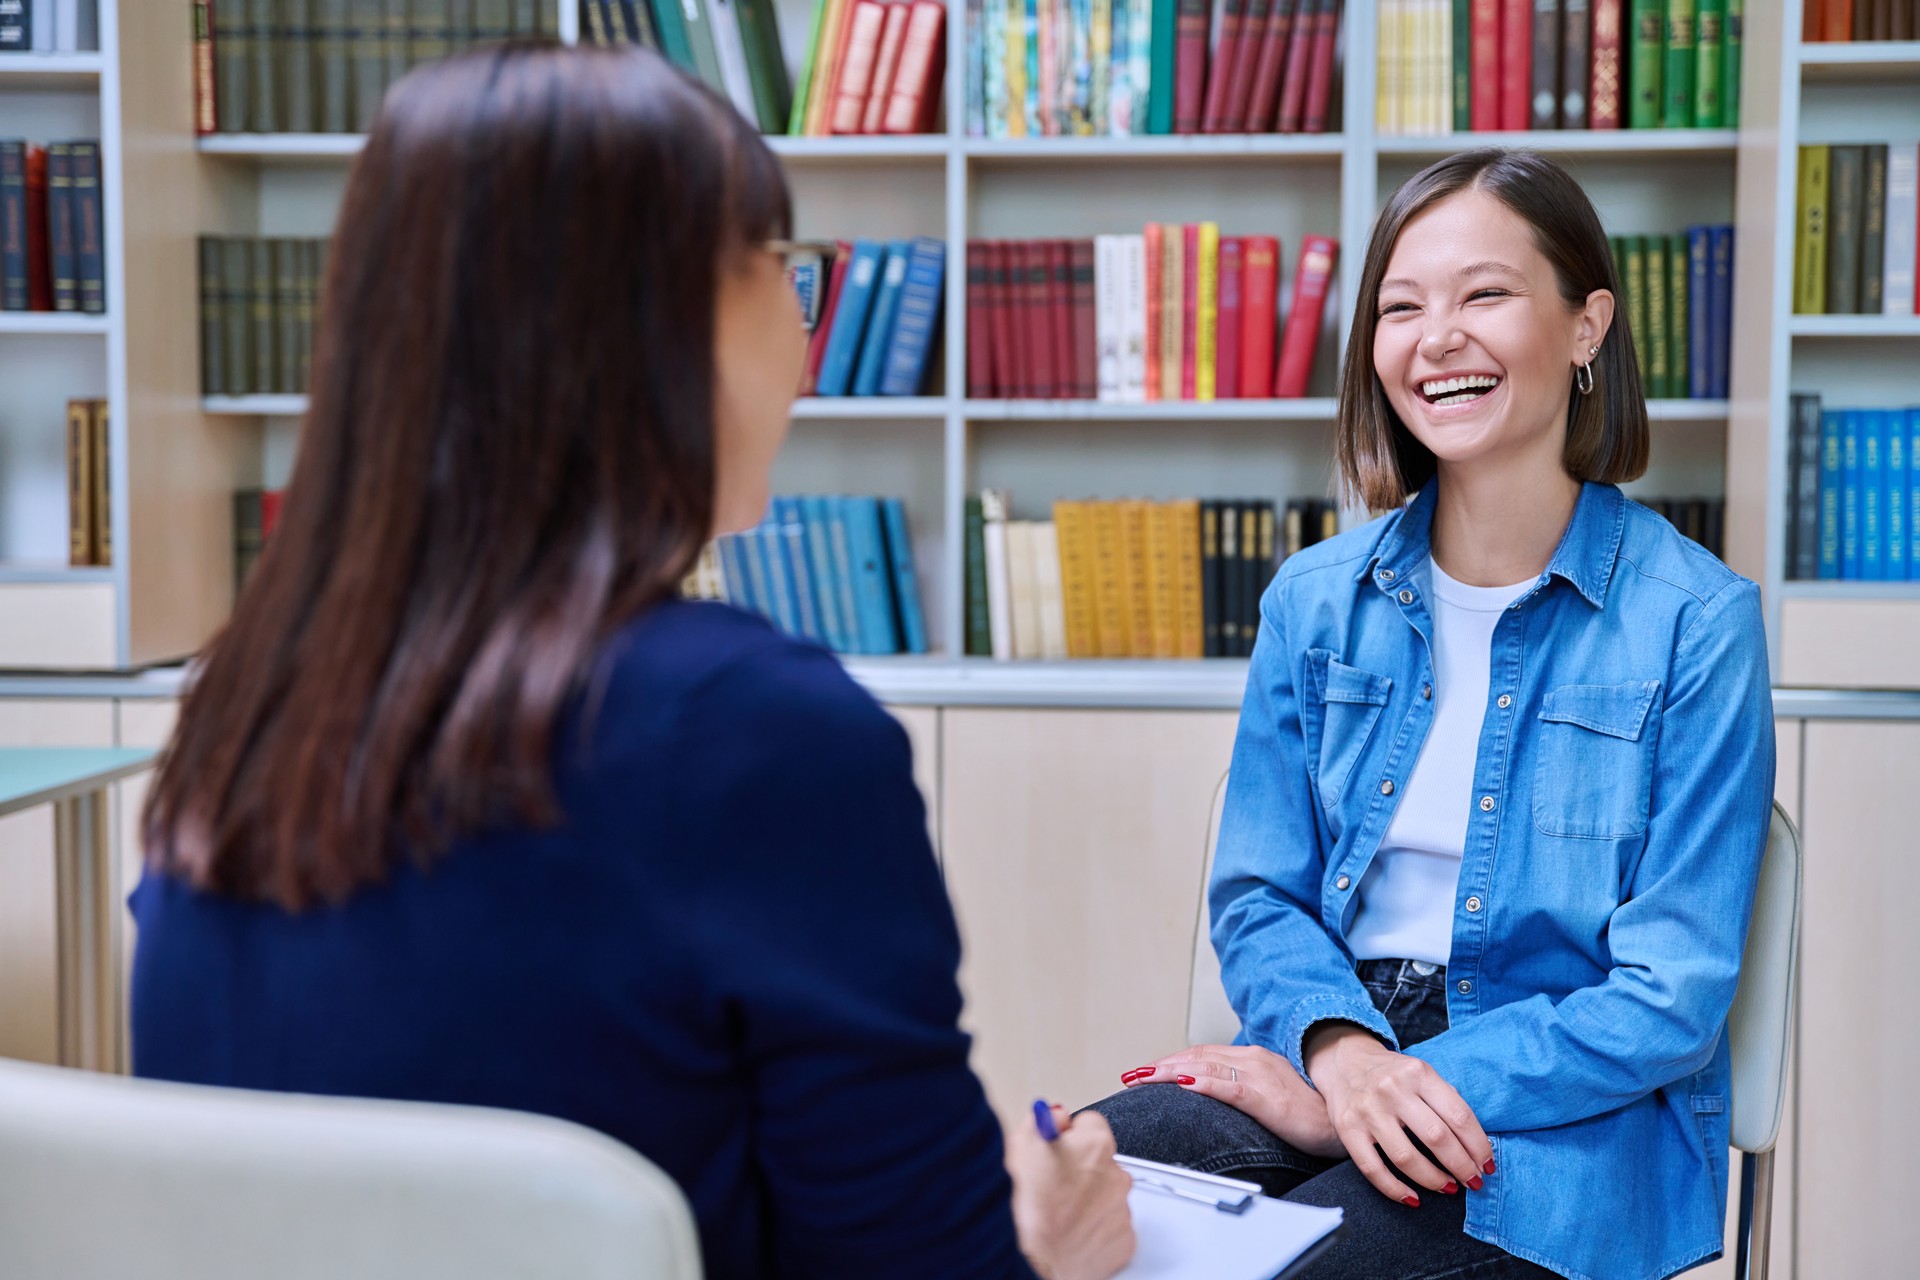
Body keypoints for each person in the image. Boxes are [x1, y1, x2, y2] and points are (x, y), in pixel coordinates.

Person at [130, 43, 1133, 1280]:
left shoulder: (244, 706)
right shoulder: (754, 728)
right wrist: (1055, 1242)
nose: (807, 334)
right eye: (785, 273)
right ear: (666, 317)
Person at [1088, 148, 1774, 1280]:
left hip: (1557, 1106)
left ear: (1587, 325)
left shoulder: (1697, 622)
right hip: (1329, 1035)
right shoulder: (1314, 601)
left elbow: (1671, 995)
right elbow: (1260, 892)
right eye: (1401, 307)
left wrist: (1405, 1082)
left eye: (1484, 295)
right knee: (1044, 1206)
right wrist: (1345, 1058)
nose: (1436, 337)